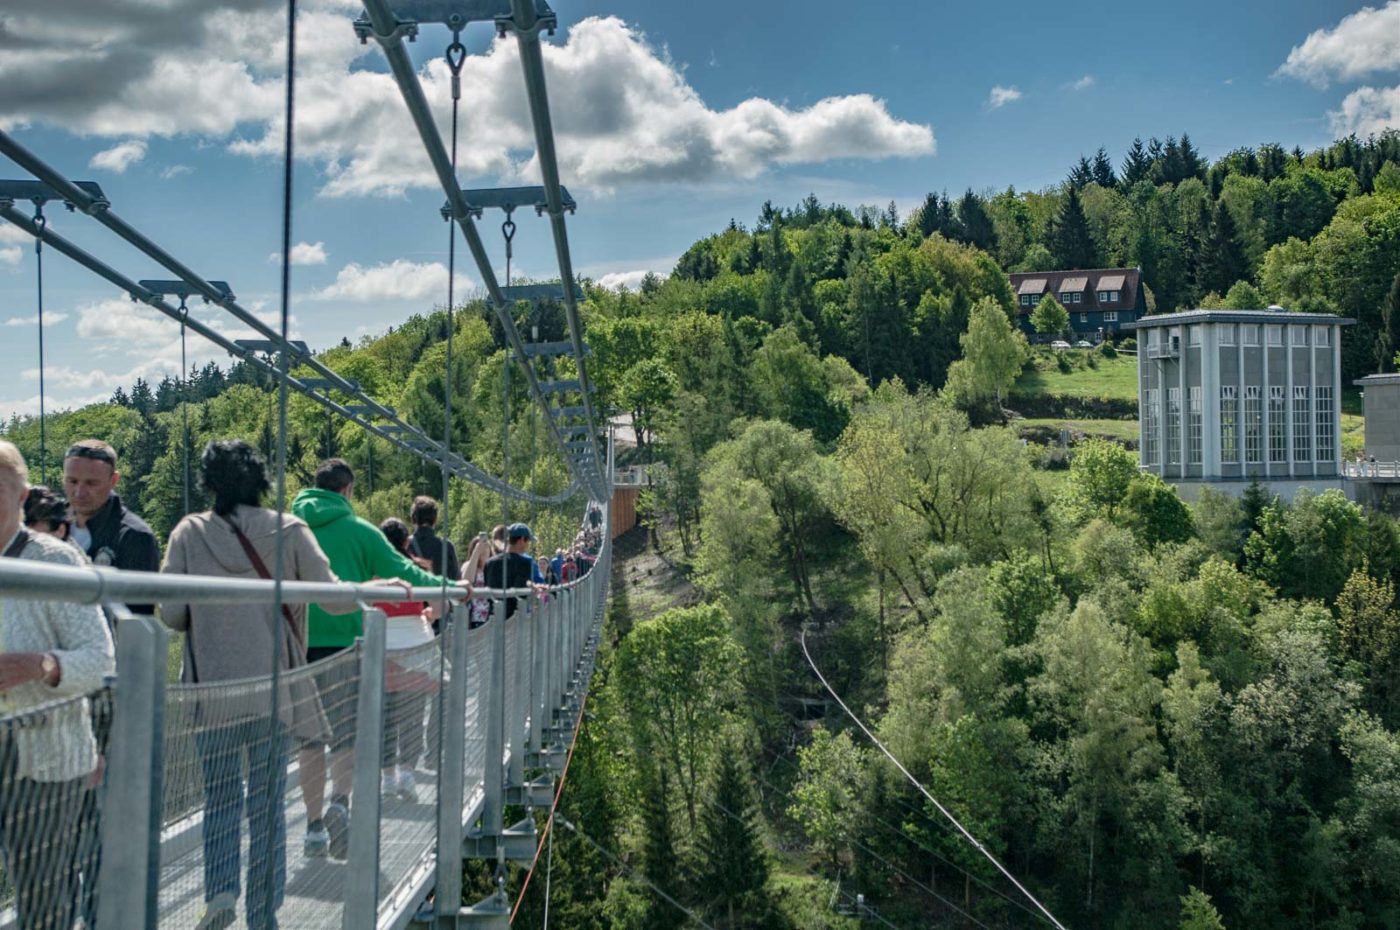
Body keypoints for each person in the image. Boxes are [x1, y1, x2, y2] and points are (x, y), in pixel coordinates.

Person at [161, 439, 354, 930]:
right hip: (274, 693)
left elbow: (171, 614)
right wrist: (382, 591)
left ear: (210, 483)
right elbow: (332, 599)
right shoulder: (289, 529)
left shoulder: (188, 532)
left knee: (222, 800)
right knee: (267, 806)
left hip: (212, 696)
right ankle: (262, 914)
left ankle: (220, 893)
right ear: (261, 479)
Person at [290, 459, 463, 859]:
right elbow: (406, 571)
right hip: (346, 645)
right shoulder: (358, 531)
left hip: (295, 646)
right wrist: (454, 588)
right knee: (345, 736)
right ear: (348, 490)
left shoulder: (288, 529)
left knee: (310, 741)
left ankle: (313, 828)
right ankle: (339, 803)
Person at [0, 440, 115, 930]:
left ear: (22, 497)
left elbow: (101, 660)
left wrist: (42, 665)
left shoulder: (57, 562)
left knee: (42, 902)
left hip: (46, 760)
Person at [375, 518, 439, 804]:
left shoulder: (372, 569)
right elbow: (439, 603)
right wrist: (428, 615)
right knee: (413, 716)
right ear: (405, 542)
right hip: (415, 646)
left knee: (386, 717)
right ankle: (407, 776)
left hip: (383, 646)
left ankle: (387, 778)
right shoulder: (415, 568)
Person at [62, 439, 160, 584]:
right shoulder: (46, 525)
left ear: (113, 480)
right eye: (72, 481)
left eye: (91, 483)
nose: (79, 493)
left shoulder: (134, 536)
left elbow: (138, 605)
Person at [481, 523, 545, 620]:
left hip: (493, 617)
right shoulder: (525, 563)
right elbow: (521, 593)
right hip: (514, 619)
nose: (528, 545)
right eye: (527, 540)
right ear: (521, 540)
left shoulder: (490, 563)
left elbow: (487, 588)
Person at [408, 496, 459, 581]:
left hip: (413, 593)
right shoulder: (446, 546)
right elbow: (456, 578)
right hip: (439, 593)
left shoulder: (405, 545)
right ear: (435, 519)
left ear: (413, 519)